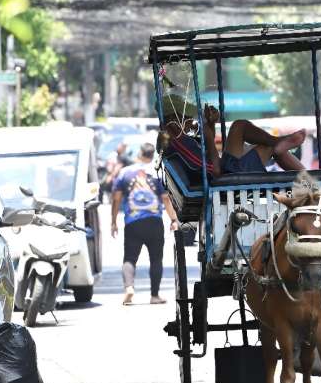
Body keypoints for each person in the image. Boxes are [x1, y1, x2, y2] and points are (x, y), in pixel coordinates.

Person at [159, 93, 305, 177]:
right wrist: (209, 137)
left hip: (224, 168)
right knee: (267, 148)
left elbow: (207, 156)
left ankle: (278, 142)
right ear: (173, 119)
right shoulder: (176, 142)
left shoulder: (179, 138)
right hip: (223, 176)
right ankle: (309, 179)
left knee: (239, 125)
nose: (191, 122)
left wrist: (211, 124)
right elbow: (214, 170)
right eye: (187, 117)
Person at [111, 143, 180, 305]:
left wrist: (113, 222)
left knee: (129, 258)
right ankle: (154, 296)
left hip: (132, 223)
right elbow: (165, 198)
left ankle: (129, 288)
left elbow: (116, 198)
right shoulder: (157, 173)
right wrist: (173, 219)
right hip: (154, 222)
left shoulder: (124, 172)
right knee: (156, 259)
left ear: (139, 154)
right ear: (151, 155)